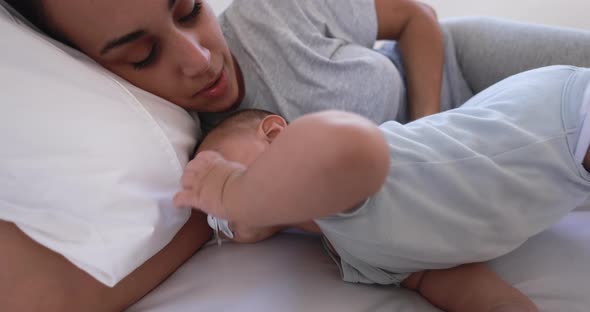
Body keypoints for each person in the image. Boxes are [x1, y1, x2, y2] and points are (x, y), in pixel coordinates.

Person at [3, 0, 590, 311]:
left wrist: (431, 120)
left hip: (470, 72)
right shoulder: (208, 154)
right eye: (141, 55)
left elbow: (417, 18)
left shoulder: (272, 18)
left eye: (188, 12)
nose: (200, 59)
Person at [174, 65, 590, 312]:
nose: (218, 210)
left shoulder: (334, 180)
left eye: (222, 164)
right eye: (214, 216)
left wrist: (233, 190)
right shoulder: (353, 256)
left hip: (556, 112)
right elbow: (434, 274)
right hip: (562, 168)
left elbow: (343, 143)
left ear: (276, 134)